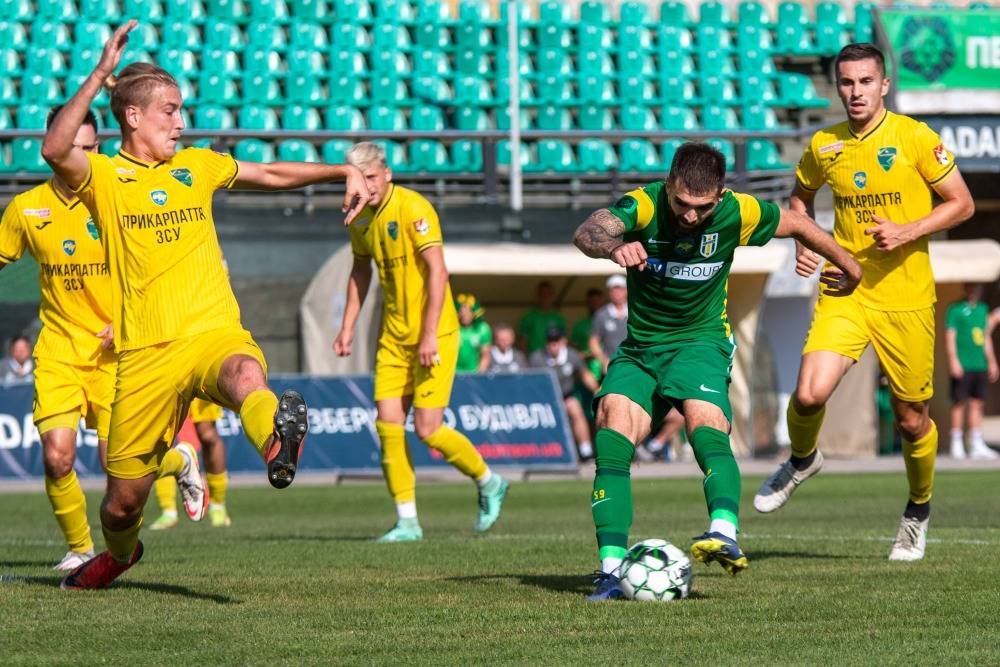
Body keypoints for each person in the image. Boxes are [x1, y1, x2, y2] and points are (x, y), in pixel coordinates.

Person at [44, 22, 371, 589]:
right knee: (121, 505)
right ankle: (118, 555)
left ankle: (277, 442)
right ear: (133, 117)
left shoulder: (196, 165)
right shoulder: (101, 176)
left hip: (210, 329)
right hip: (145, 354)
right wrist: (100, 75)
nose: (180, 121)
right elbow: (53, 148)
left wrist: (342, 170)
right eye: (169, 110)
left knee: (247, 373)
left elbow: (269, 173)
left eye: (182, 110)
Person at [573, 141, 861, 600]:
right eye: (682, 204)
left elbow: (798, 223)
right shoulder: (644, 205)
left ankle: (724, 532)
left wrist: (850, 266)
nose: (689, 216)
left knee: (704, 421)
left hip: (701, 342)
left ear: (721, 195)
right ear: (669, 186)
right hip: (642, 348)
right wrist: (614, 247)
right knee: (611, 425)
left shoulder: (738, 212)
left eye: (701, 208)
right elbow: (589, 231)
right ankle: (610, 572)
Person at [752, 43, 975, 562]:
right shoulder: (824, 145)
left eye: (865, 82)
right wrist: (806, 241)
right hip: (845, 289)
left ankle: (917, 510)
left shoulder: (915, 138)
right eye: (846, 83)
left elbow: (962, 203)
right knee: (808, 395)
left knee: (911, 420)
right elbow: (800, 199)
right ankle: (802, 459)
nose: (855, 92)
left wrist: (907, 231)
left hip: (907, 298)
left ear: (884, 85)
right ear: (837, 86)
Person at [0, 105, 205, 572]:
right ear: (56, 150)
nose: (87, 157)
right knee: (57, 458)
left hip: (117, 353)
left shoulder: (117, 195)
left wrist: (128, 317)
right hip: (57, 351)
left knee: (122, 470)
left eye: (93, 148)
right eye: (77, 148)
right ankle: (78, 550)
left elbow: (160, 265)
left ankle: (179, 463)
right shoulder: (27, 209)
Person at [333, 141, 509, 543]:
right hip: (393, 338)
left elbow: (438, 273)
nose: (368, 186)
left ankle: (489, 480)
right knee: (388, 426)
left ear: (388, 173)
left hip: (436, 332)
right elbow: (360, 272)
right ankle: (408, 521)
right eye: (360, 179)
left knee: (428, 429)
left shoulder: (414, 208)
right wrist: (347, 326)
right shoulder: (359, 218)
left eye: (373, 177)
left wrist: (429, 333)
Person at [151, 398, 235, 529]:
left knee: (207, 434)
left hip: (199, 382)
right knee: (162, 435)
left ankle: (218, 505)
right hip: (167, 377)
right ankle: (168, 510)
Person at [529, 326, 599, 460]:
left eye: (557, 341)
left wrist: (596, 390)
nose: (553, 345)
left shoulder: (572, 355)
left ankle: (586, 450)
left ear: (564, 341)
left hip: (565, 397)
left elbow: (585, 375)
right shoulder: (536, 358)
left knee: (575, 408)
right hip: (544, 400)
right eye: (550, 341)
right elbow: (530, 382)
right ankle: (540, 451)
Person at [945, 284, 998, 460]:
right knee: (959, 403)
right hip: (963, 364)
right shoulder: (955, 309)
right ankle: (956, 442)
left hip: (979, 364)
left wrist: (991, 362)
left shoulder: (983, 309)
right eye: (972, 287)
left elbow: (985, 337)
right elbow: (950, 337)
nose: (975, 290)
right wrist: (953, 360)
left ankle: (976, 443)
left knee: (977, 403)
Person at [517, 281, 567, 355]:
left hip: (554, 358)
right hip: (534, 358)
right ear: (537, 296)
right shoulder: (529, 317)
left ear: (553, 296)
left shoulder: (558, 317)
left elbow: (563, 340)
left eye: (548, 294)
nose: (545, 297)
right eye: (542, 294)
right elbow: (522, 341)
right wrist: (524, 360)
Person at [455, 293, 492, 373]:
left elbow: (485, 355)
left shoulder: (483, 329)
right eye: (461, 311)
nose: (465, 314)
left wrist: (478, 375)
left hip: (474, 374)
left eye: (469, 311)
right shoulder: (451, 328)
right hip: (453, 374)